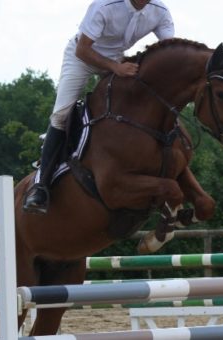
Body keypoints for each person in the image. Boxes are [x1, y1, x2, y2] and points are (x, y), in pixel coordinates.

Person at [23, 0, 175, 214]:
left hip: (117, 60)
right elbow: (82, 50)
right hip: (82, 58)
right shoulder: (104, 6)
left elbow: (170, 49)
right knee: (61, 115)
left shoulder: (160, 12)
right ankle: (40, 186)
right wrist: (115, 68)